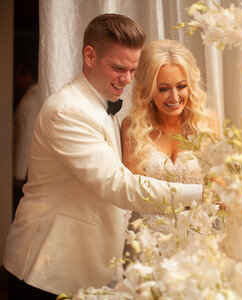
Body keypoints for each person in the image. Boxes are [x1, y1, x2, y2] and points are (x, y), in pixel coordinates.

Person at [3, 14, 202, 299]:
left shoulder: (102, 105)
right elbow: (118, 184)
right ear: (89, 55)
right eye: (119, 68)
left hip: (86, 267)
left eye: (133, 70)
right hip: (47, 269)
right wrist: (201, 194)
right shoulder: (68, 110)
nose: (127, 79)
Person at [121, 39, 220, 232]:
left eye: (181, 86)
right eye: (163, 89)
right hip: (148, 238)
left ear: (191, 85)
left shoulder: (208, 122)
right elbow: (135, 193)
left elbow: (218, 186)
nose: (174, 97)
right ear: (148, 90)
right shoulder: (133, 127)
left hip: (199, 234)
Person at [12, 59, 41, 218]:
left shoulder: (29, 101)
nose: (16, 79)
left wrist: (18, 174)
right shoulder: (36, 97)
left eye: (18, 75)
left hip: (27, 169)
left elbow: (25, 138)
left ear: (28, 75)